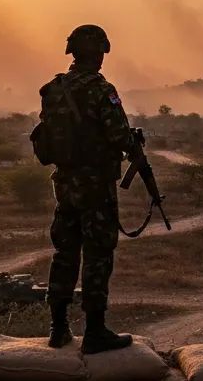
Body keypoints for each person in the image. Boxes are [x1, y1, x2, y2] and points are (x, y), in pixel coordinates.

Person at [39, 24, 134, 353]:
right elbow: (119, 135)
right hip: (95, 186)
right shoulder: (100, 89)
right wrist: (134, 146)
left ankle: (58, 328)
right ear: (98, 52)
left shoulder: (54, 89)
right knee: (97, 255)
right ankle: (94, 332)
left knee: (64, 254)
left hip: (64, 185)